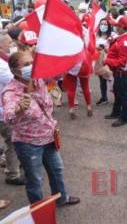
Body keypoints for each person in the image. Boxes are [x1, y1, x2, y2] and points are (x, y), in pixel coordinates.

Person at [2, 51, 80, 206]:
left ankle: (61, 198)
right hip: (28, 144)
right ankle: (39, 211)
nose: (31, 67)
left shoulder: (38, 79)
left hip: (49, 137)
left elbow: (58, 74)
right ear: (14, 70)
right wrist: (19, 109)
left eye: (32, 63)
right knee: (35, 179)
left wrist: (69, 58)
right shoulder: (11, 91)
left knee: (56, 171)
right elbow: (8, 117)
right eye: (25, 65)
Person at [0, 31, 24, 186]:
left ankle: (6, 161)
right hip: (3, 111)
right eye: (9, 43)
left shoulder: (4, 60)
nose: (12, 45)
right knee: (12, 141)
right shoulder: (2, 65)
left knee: (10, 140)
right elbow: (14, 80)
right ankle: (12, 174)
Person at [102, 16, 127, 127]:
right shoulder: (125, 36)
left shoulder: (125, 43)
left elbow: (123, 63)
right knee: (117, 92)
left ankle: (124, 117)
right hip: (119, 73)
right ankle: (116, 112)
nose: (115, 28)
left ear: (122, 27)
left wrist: (107, 61)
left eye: (117, 26)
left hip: (123, 73)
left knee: (124, 95)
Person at [95, 18, 112, 106]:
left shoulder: (111, 36)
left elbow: (113, 49)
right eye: (101, 24)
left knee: (111, 79)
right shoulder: (97, 36)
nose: (103, 26)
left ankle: (118, 96)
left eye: (105, 24)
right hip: (98, 60)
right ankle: (104, 97)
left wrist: (105, 48)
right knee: (102, 80)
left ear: (108, 26)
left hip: (108, 60)